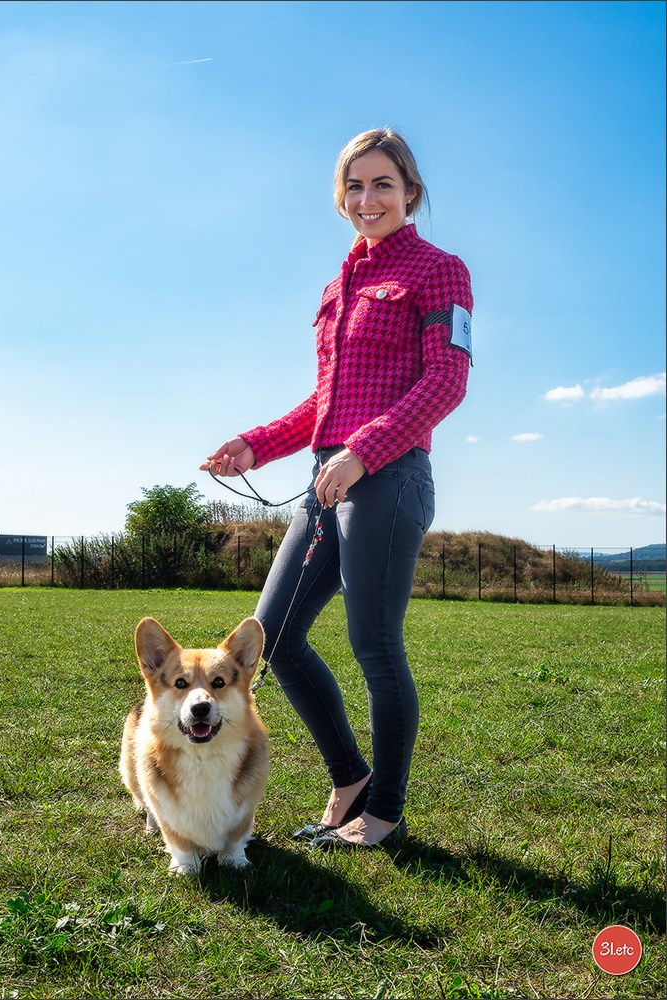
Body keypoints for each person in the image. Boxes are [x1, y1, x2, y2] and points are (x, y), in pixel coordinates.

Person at [200, 128, 473, 849]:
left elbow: (446, 379)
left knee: (374, 646)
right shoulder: (336, 286)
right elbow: (323, 403)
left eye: (383, 184)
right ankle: (348, 778)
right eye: (355, 186)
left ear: (411, 191)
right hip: (328, 477)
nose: (368, 198)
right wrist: (255, 443)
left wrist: (364, 451)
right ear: (341, 198)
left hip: (389, 477)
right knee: (276, 636)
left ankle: (382, 809)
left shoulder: (440, 271)